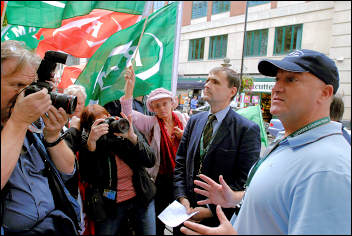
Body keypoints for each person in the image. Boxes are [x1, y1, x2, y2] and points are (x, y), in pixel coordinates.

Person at [180, 49, 351, 235]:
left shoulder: (328, 169)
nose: (276, 87)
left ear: (325, 93)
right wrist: (235, 199)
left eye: (291, 79)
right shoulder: (292, 141)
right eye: (277, 79)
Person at [1, 41, 79, 234]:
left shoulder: (34, 123)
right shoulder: (21, 119)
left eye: (29, 86)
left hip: (53, 225)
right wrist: (18, 122)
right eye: (17, 85)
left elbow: (68, 169)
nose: (26, 94)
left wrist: (53, 136)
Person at [173, 66, 261, 231]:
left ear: (232, 91)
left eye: (215, 81)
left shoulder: (246, 129)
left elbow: (244, 183)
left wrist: (209, 211)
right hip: (184, 214)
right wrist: (182, 197)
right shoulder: (194, 121)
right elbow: (180, 163)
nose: (207, 84)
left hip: (218, 222)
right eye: (207, 80)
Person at [121, 66, 189, 235]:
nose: (161, 109)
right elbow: (127, 113)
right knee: (160, 218)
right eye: (157, 106)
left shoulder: (184, 118)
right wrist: (129, 87)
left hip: (181, 178)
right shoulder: (150, 123)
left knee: (181, 219)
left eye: (165, 103)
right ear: (152, 108)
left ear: (172, 103)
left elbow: (196, 144)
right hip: (159, 180)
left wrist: (184, 137)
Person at [78, 104, 156, 235]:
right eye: (100, 124)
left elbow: (150, 161)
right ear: (90, 127)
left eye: (106, 120)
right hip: (111, 204)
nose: (106, 126)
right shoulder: (88, 141)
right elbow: (88, 176)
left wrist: (132, 137)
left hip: (141, 196)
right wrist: (91, 145)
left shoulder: (123, 128)